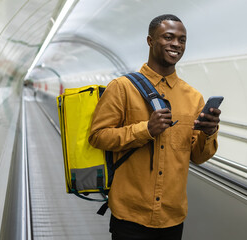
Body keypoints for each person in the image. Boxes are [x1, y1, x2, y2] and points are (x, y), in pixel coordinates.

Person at [89, 14, 221, 240]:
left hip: (172, 217)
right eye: (168, 37)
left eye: (182, 40)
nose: (176, 45)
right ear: (150, 41)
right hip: (129, 215)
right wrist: (146, 130)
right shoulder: (122, 88)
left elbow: (198, 157)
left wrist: (208, 133)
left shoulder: (193, 98)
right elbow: (98, 136)